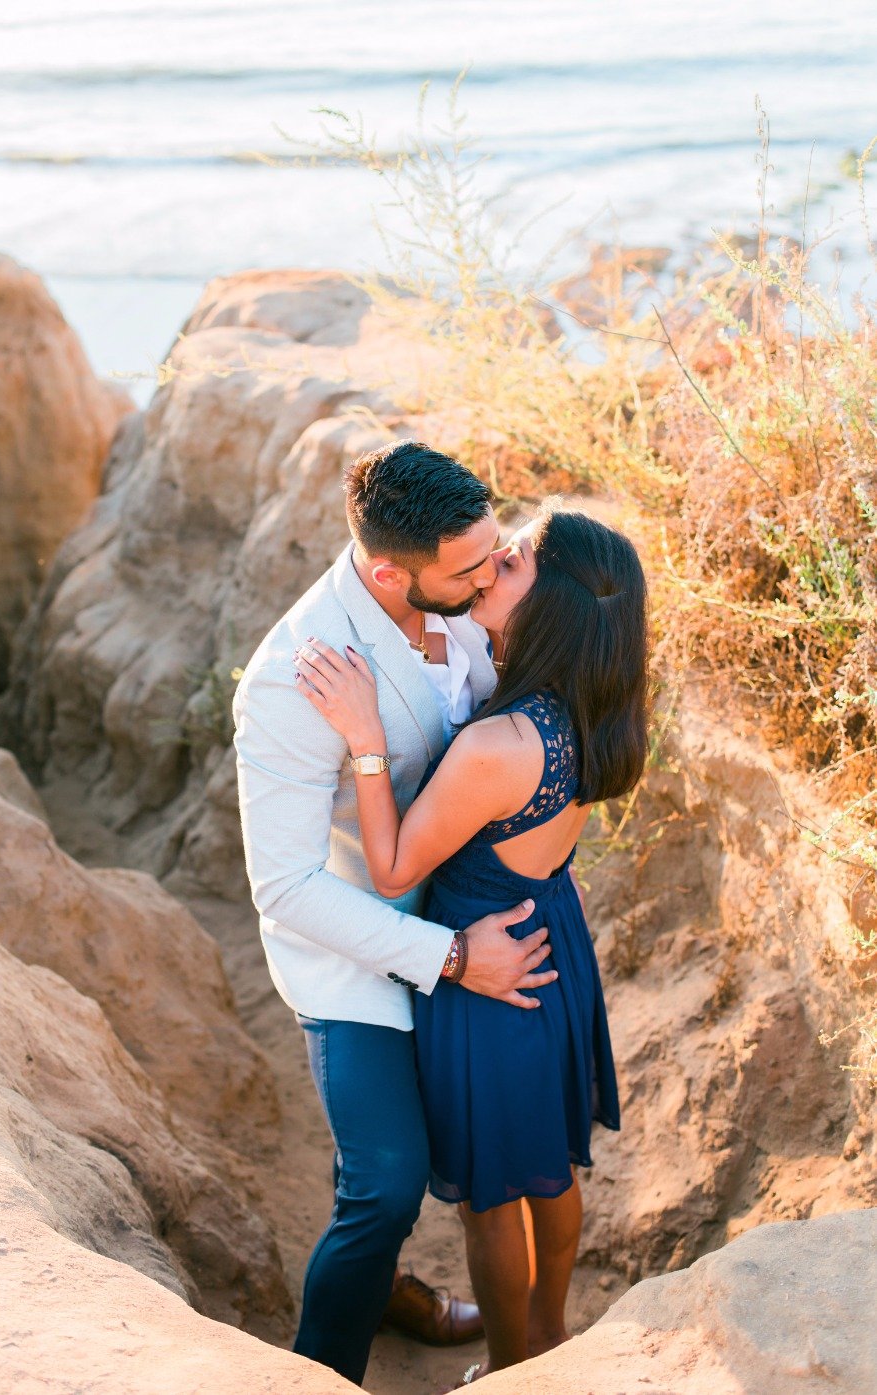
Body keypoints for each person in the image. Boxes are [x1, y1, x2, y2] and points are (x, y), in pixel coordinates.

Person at [294, 501, 649, 1384]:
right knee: (553, 1166)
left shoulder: (498, 742)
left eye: (516, 562)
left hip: (488, 970)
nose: (493, 568)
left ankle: (508, 1365)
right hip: (547, 935)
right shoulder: (582, 711)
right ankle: (550, 1337)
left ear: (553, 605)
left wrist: (366, 737)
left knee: (495, 1198)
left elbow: (390, 866)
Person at [232, 441, 560, 1388]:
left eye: (494, 554)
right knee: (383, 1181)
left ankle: (392, 1293)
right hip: (357, 949)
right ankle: (323, 1369)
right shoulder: (291, 681)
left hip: (460, 907)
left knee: (473, 1139)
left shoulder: (457, 587)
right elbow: (286, 886)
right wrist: (452, 955)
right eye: (470, 569)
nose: (490, 575)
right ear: (389, 572)